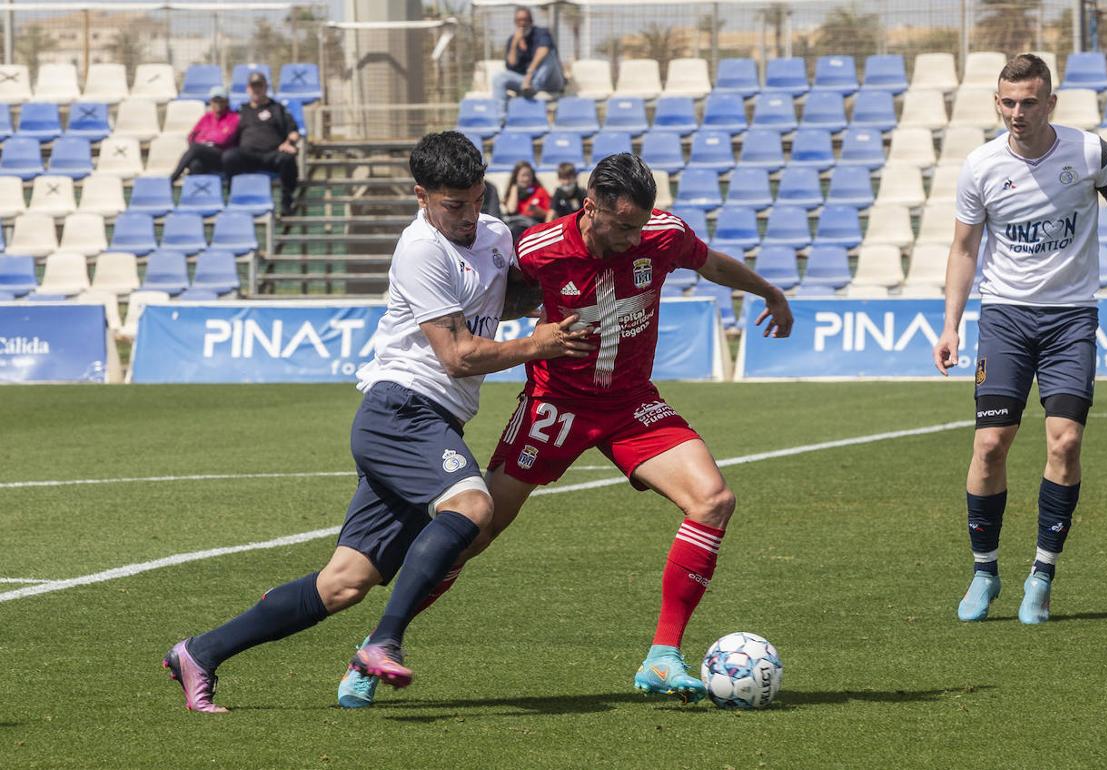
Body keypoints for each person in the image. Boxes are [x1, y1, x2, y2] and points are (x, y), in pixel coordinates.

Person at [337, 153, 794, 708]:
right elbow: (492, 303)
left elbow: (712, 265)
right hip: (554, 406)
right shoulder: (537, 249)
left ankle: (662, 657)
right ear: (591, 207)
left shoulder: (663, 235)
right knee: (474, 533)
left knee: (714, 500)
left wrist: (769, 292)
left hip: (630, 405)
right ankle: (375, 645)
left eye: (639, 226)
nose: (632, 238)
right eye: (621, 226)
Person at [162, 131, 592, 713]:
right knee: (472, 507)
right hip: (401, 410)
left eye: (475, 199)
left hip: (434, 420)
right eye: (453, 205)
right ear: (421, 196)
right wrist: (535, 347)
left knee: (343, 583)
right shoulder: (419, 250)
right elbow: (458, 355)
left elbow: (499, 299)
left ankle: (199, 652)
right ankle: (382, 642)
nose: (469, 216)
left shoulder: (491, 233)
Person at [933, 54, 1107, 625]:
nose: (1017, 113)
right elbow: (963, 250)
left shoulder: (1090, 153)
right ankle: (985, 571)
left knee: (1065, 443)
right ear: (997, 102)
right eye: (1007, 102)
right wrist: (951, 323)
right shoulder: (980, 166)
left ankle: (1042, 574)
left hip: (1070, 318)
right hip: (1004, 316)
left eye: (1029, 102)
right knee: (989, 445)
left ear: (1050, 103)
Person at [223, 71, 301, 216]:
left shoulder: (277, 108)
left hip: (271, 156)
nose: (256, 90)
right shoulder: (241, 110)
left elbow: (294, 131)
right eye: (253, 86)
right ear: (248, 89)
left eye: (260, 86)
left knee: (287, 159)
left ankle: (286, 200)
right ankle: (234, 197)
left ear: (266, 87)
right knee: (229, 157)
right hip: (247, 156)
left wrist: (289, 142)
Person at [491, 6, 565, 100]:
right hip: (525, 83)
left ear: (531, 21)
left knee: (550, 55)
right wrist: (514, 44)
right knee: (498, 78)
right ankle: (501, 114)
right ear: (515, 22)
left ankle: (533, 87)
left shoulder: (541, 32)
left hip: (549, 81)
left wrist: (530, 73)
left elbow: (544, 50)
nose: (522, 23)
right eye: (519, 20)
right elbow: (511, 65)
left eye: (525, 19)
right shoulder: (512, 40)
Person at [170, 86, 238, 180]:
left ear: (226, 102)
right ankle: (196, 192)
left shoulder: (233, 118)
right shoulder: (206, 117)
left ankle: (173, 178)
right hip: (204, 154)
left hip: (222, 155)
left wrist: (204, 140)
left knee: (195, 148)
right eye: (215, 100)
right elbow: (191, 136)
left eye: (221, 100)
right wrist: (206, 142)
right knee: (195, 164)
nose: (218, 103)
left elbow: (224, 139)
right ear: (210, 102)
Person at [502, 160, 550, 240]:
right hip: (516, 225)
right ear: (516, 177)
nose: (526, 179)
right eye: (523, 176)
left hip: (533, 226)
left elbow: (550, 214)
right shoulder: (513, 191)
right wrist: (514, 188)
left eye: (529, 175)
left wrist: (538, 211)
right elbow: (511, 209)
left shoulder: (540, 191)